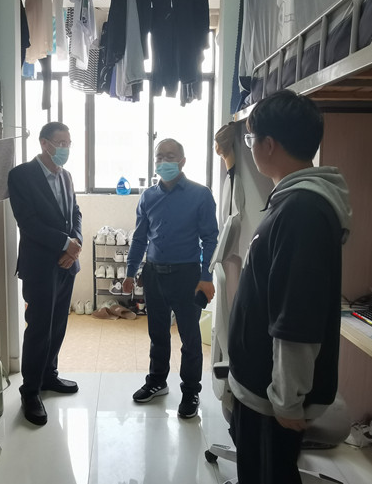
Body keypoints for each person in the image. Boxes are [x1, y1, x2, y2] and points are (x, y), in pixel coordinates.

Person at [228, 89, 352, 484]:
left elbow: (296, 318)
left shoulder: (302, 212)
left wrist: (286, 399)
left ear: (269, 144)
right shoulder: (293, 201)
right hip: (263, 388)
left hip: (272, 398)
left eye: (251, 139)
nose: (250, 147)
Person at [122, 138, 219, 418]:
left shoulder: (200, 195)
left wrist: (206, 276)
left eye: (170, 156)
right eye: (159, 157)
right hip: (153, 274)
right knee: (157, 332)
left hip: (187, 275)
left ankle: (190, 392)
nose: (164, 161)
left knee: (190, 337)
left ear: (182, 161)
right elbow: (140, 238)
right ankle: (157, 381)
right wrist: (130, 272)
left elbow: (210, 239)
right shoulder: (148, 197)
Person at [7, 121, 83, 427]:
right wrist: (66, 244)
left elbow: (75, 213)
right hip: (40, 266)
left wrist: (75, 245)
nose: (65, 148)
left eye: (68, 143)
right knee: (39, 328)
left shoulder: (66, 176)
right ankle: (30, 391)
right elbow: (28, 222)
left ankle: (49, 375)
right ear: (44, 143)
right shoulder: (21, 175)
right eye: (60, 142)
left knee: (59, 324)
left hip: (67, 264)